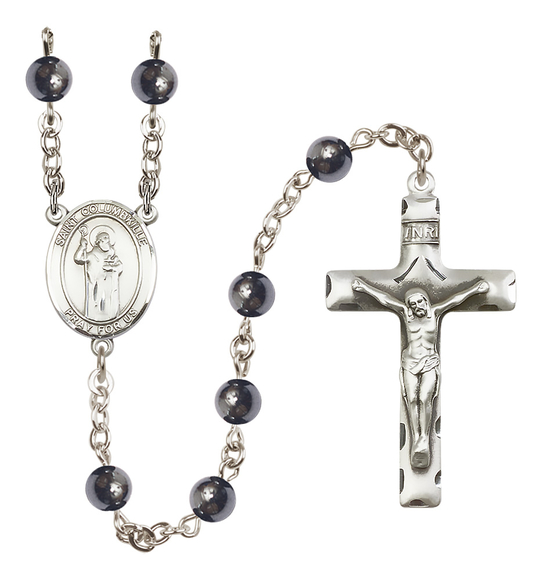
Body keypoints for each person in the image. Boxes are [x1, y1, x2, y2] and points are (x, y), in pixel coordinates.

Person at [352, 277, 489, 469]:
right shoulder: (406, 314)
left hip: (429, 362)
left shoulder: (435, 312)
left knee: (425, 398)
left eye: (420, 302)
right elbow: (385, 299)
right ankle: (416, 437)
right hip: (410, 363)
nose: (417, 306)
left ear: (426, 301)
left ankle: (424, 438)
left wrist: (475, 289)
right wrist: (364, 288)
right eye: (413, 304)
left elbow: (455, 299)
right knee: (411, 400)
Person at [74, 225, 123, 321]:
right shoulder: (92, 255)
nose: (107, 240)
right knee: (95, 305)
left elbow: (120, 267)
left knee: (110, 307)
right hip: (95, 287)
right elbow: (78, 258)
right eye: (105, 238)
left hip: (110, 287)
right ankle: (93, 320)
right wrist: (82, 247)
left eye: (108, 238)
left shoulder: (112, 256)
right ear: (98, 242)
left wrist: (112, 268)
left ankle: (112, 318)